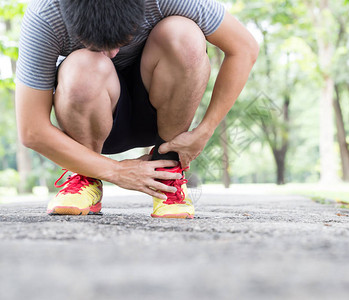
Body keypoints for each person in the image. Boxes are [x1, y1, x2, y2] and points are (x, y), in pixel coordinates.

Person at [15, 0, 258, 219]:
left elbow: (244, 47)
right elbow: (31, 130)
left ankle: (168, 169)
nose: (111, 54)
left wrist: (205, 131)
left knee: (184, 34)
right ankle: (83, 177)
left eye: (121, 41)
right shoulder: (46, 15)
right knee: (84, 64)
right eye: (96, 44)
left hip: (160, 111)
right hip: (92, 115)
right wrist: (117, 171)